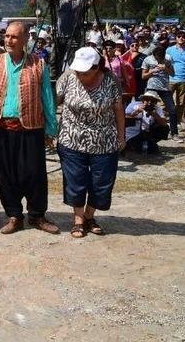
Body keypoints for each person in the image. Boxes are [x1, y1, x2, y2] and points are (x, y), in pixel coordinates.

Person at [0, 21, 59, 235]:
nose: (9, 40)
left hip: (31, 127)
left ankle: (37, 215)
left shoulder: (38, 64)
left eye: (14, 37)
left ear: (25, 39)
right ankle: (14, 216)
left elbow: (47, 98)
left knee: (34, 174)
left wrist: (51, 128)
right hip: (2, 128)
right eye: (7, 36)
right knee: (6, 175)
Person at [56, 47, 125, 238]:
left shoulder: (111, 80)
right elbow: (53, 102)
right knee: (75, 181)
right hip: (71, 139)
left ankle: (89, 216)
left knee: (101, 183)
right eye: (78, 71)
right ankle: (78, 219)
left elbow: (119, 109)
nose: (80, 75)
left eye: (85, 72)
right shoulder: (68, 77)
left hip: (105, 141)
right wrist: (50, 129)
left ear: (96, 67)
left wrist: (121, 137)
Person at [142, 46, 180, 142]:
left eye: (161, 57)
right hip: (152, 87)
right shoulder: (148, 59)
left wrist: (165, 68)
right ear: (154, 55)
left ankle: (174, 133)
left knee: (172, 110)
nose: (159, 59)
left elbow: (173, 73)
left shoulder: (167, 59)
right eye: (157, 57)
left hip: (165, 88)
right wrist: (152, 71)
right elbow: (143, 76)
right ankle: (146, 132)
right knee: (148, 108)